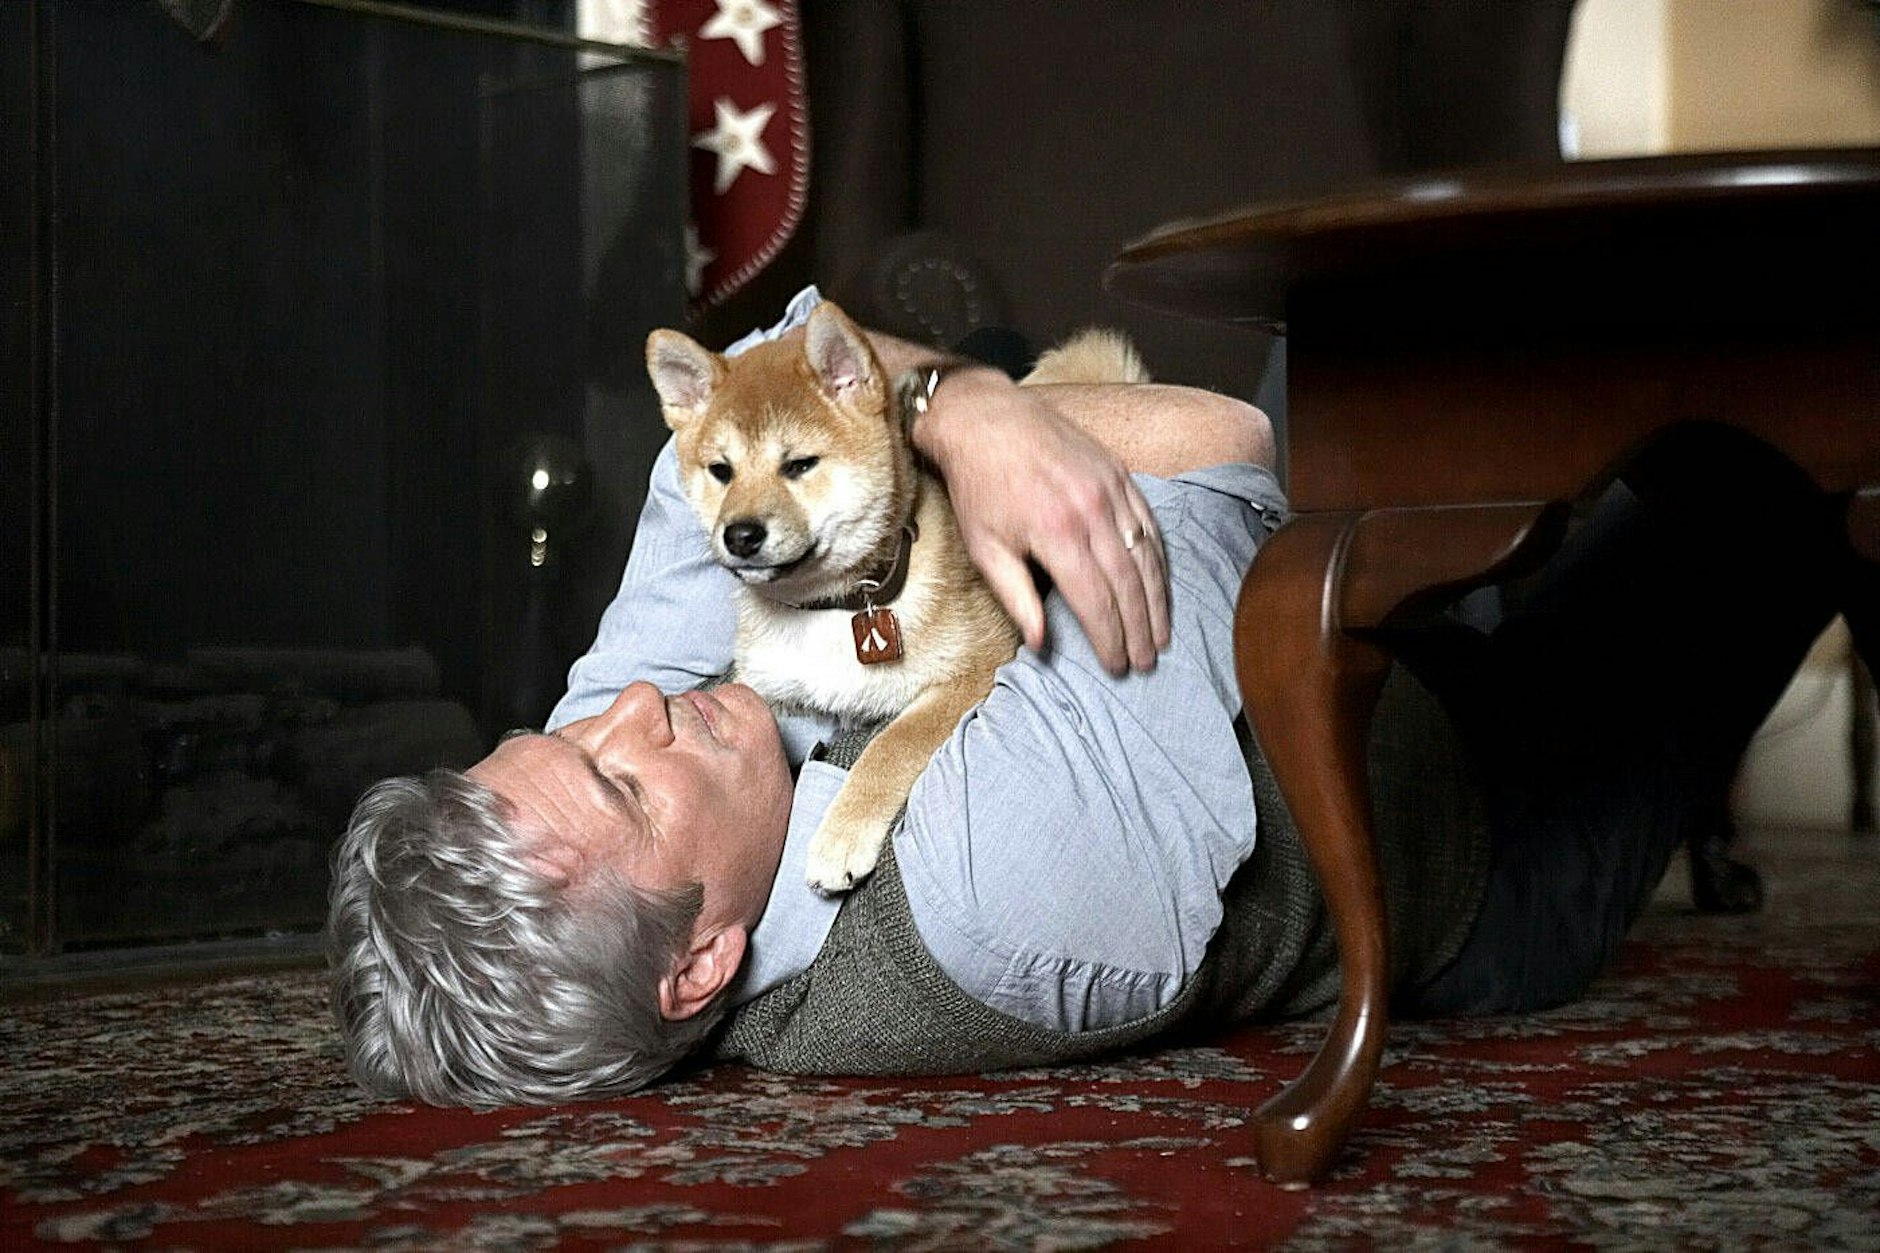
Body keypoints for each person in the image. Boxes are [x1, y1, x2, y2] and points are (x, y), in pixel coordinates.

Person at [329, 288, 1853, 1106]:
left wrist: (945, 398)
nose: (630, 709)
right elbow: (1214, 447)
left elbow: (752, 383)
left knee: (1372, 337)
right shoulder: (996, 897)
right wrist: (956, 412)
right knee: (1757, 478)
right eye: (616, 778)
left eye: (564, 725)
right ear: (700, 966)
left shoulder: (642, 763)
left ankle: (983, 348)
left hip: (1301, 647)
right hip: (1471, 813)